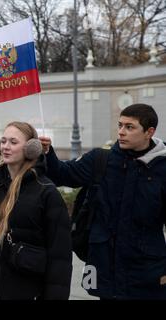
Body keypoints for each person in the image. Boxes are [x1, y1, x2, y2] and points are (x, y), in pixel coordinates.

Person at [39, 103, 166, 300]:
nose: (121, 132)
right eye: (120, 125)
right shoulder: (101, 159)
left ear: (149, 132)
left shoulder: (162, 167)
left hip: (148, 268)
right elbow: (64, 175)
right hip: (105, 263)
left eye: (129, 127)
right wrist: (47, 154)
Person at [0, 121, 72, 300]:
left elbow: (60, 258)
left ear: (31, 148)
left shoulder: (46, 192)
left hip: (27, 292)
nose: (6, 147)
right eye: (3, 141)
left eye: (13, 142)